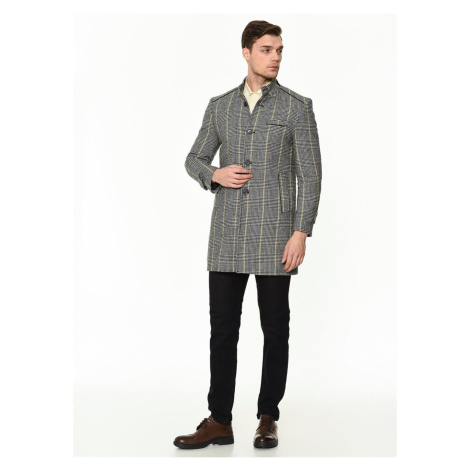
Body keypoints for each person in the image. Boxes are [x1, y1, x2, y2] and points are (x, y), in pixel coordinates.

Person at [175, 20, 322, 450]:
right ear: (246, 52)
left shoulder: (297, 107)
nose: (275, 57)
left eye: (279, 50)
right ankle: (219, 420)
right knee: (222, 330)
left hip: (276, 235)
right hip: (227, 234)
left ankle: (267, 417)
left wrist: (301, 232)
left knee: (275, 329)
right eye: (266, 49)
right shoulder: (220, 106)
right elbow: (194, 157)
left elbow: (311, 176)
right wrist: (214, 174)